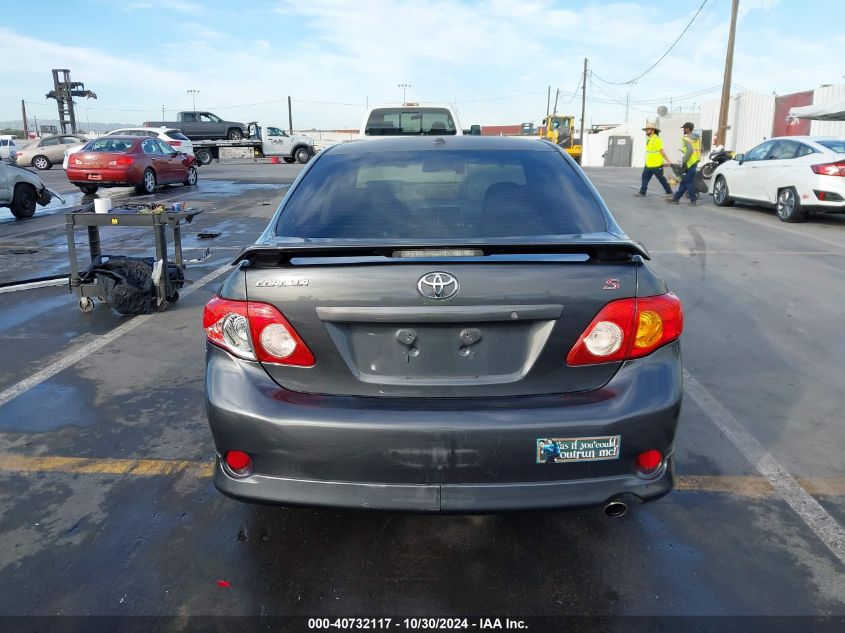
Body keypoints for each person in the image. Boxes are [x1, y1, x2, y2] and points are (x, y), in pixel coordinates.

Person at [668, 122, 702, 206]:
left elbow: (690, 150)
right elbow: (702, 149)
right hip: (695, 161)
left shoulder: (686, 138)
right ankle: (676, 198)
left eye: (684, 128)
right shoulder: (697, 138)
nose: (683, 129)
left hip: (689, 162)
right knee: (684, 181)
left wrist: (684, 161)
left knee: (688, 181)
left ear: (688, 129)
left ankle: (693, 200)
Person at [635, 122, 673, 197]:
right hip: (648, 164)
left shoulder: (657, 139)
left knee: (661, 179)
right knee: (645, 178)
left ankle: (669, 192)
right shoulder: (648, 139)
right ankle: (642, 192)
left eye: (648, 129)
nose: (646, 131)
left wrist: (668, 161)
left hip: (657, 164)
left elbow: (661, 151)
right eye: (646, 129)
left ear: (652, 130)